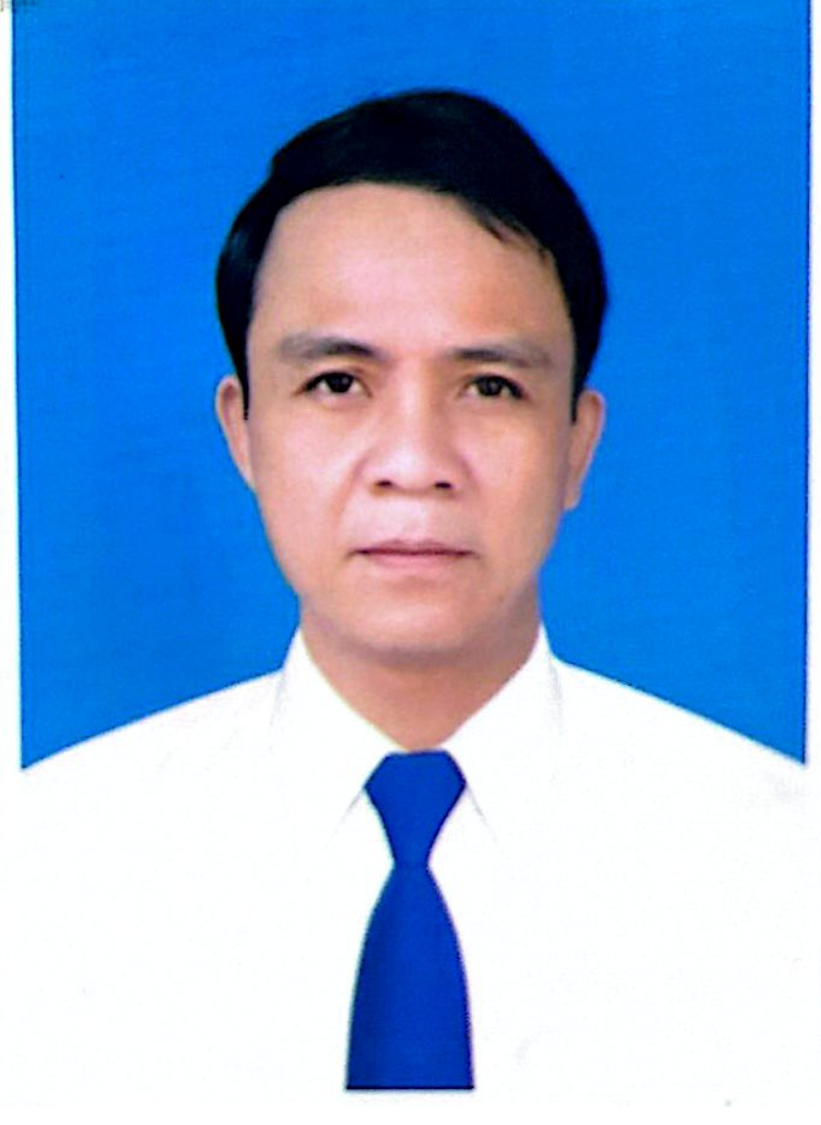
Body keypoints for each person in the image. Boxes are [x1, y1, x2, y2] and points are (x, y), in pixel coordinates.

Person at [2, 90, 818, 1110]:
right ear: (243, 429)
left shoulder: (779, 866)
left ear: (577, 442)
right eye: (338, 383)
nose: (413, 462)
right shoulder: (46, 865)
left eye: (489, 387)